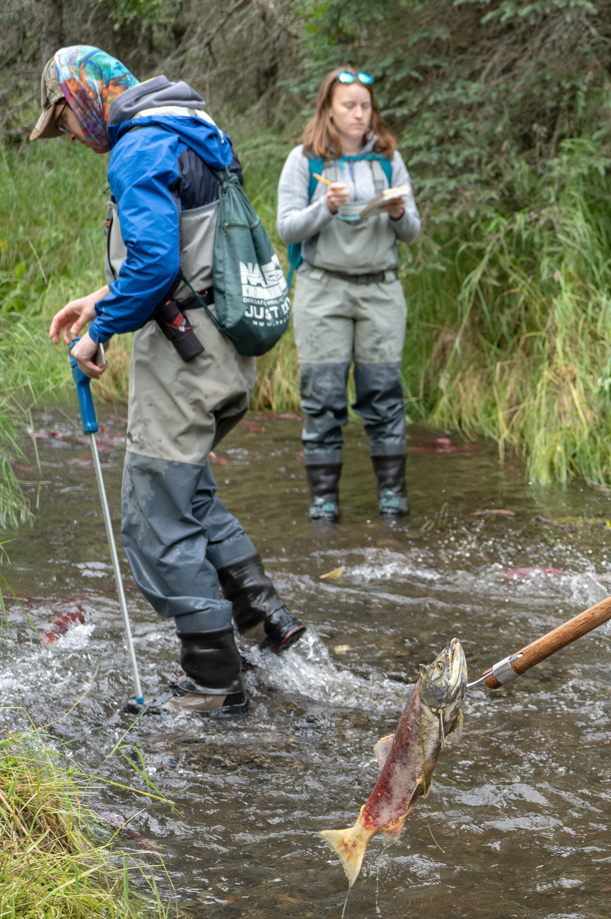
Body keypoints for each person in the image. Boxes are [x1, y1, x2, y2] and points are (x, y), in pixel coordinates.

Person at [39, 45, 306, 718]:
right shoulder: (192, 130)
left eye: (64, 123)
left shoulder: (137, 148)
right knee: (191, 495)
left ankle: (214, 685)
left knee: (155, 516)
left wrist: (98, 336)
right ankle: (266, 623)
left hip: (185, 360)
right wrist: (102, 299)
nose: (72, 138)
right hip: (226, 351)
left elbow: (158, 262)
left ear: (81, 99)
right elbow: (193, 249)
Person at [276, 67, 420, 522]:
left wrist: (398, 212)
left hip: (380, 290)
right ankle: (324, 502)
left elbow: (412, 232)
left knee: (383, 394)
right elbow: (286, 228)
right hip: (322, 291)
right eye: (349, 106)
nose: (360, 114)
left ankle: (392, 498)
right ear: (329, 111)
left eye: (365, 106)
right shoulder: (304, 160)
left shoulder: (387, 160)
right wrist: (326, 208)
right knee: (322, 397)